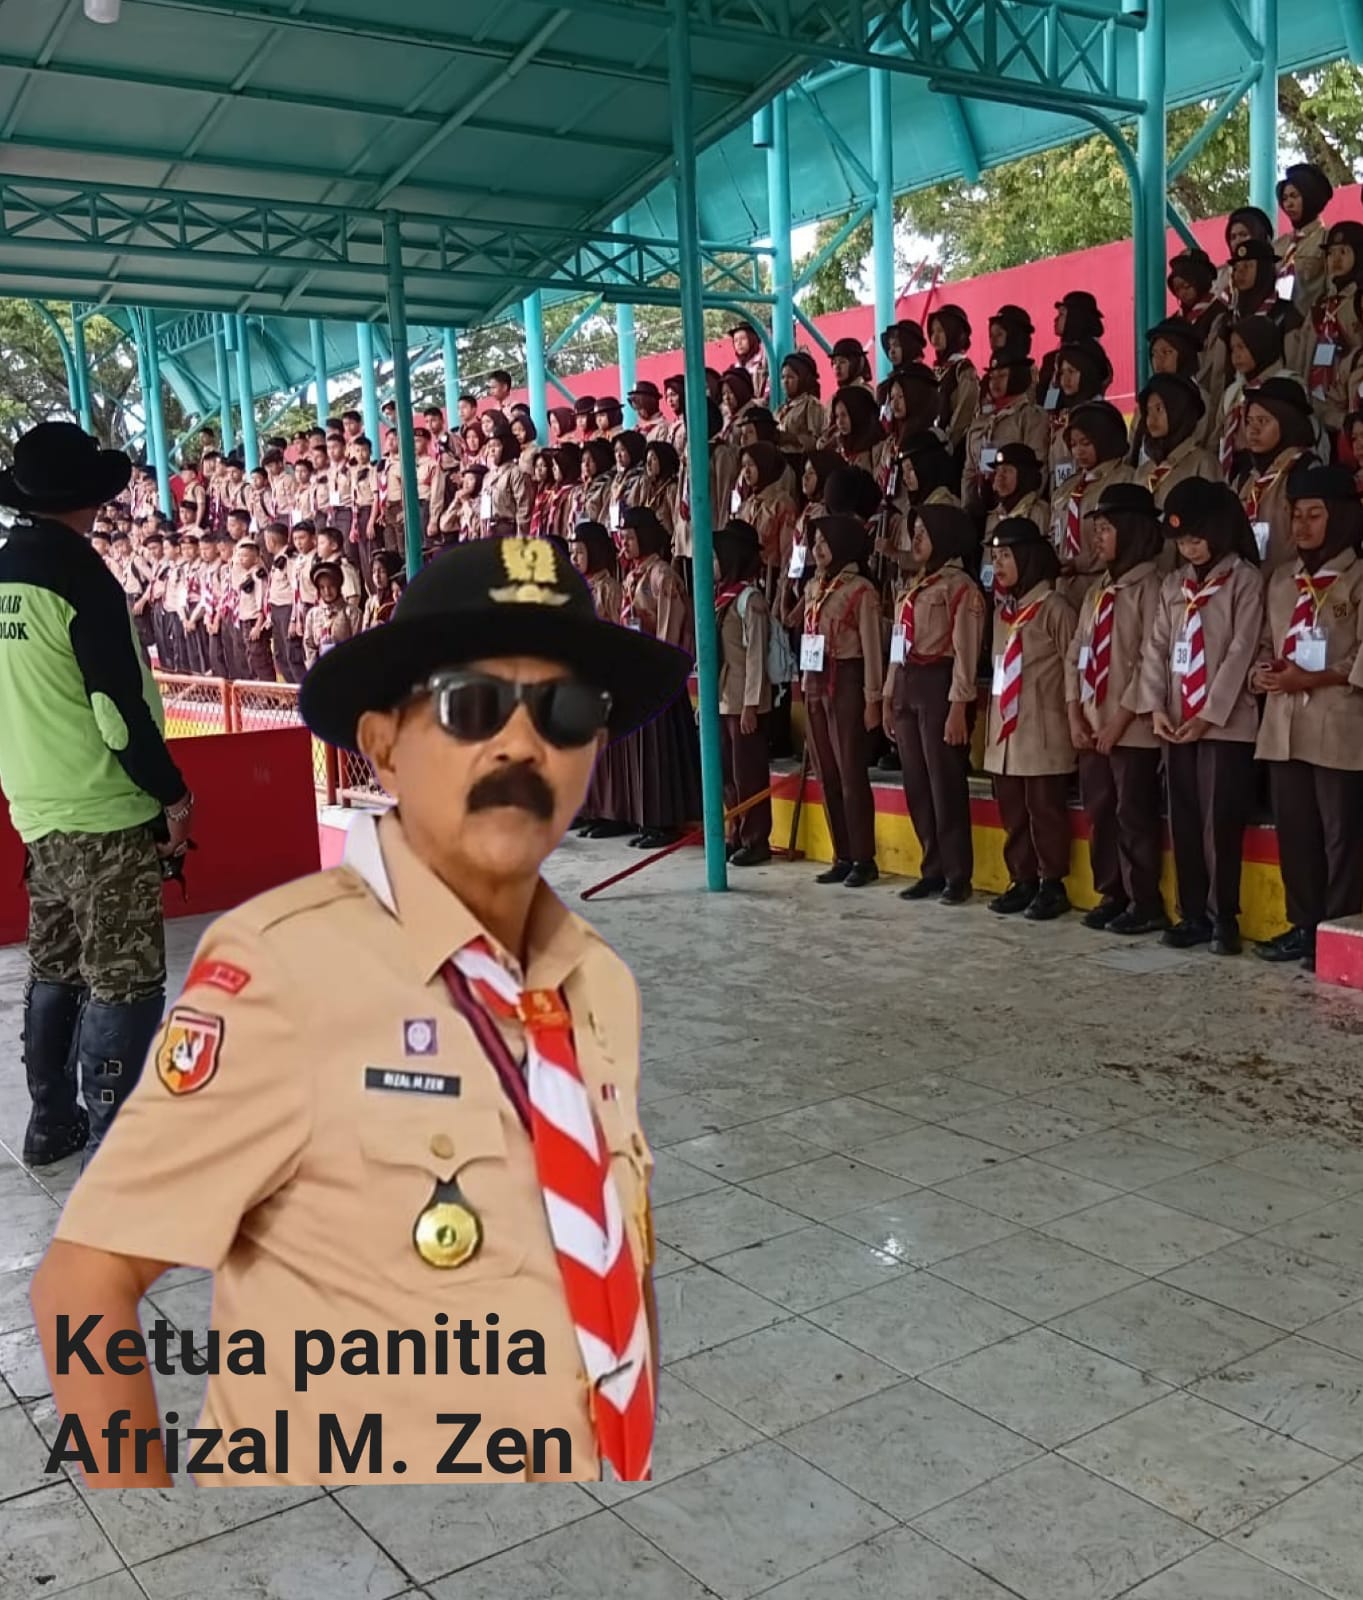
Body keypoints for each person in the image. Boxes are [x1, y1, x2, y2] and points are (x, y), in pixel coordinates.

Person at [33, 533, 686, 1488]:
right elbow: (83, 1283)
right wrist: (142, 1508)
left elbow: (610, 1233)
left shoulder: (597, 981)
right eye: (471, 706)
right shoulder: (284, 970)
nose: (522, 745)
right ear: (383, 744)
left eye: (567, 710)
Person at [0, 422, 193, 1167]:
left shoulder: (6, 570)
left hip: (34, 803)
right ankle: (120, 1142)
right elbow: (115, 710)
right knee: (126, 976)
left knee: (56, 963)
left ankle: (51, 1121)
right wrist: (171, 796)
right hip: (103, 808)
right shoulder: (81, 576)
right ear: (87, 498)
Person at [1135, 478, 1264, 955]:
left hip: (1225, 725)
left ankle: (1222, 917)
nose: (1188, 548)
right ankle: (1191, 913)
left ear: (1218, 530)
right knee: (1185, 820)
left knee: (1219, 823)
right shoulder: (1175, 584)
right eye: (1181, 541)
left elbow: (1240, 651)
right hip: (1176, 721)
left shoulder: (1245, 581)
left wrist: (1208, 716)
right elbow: (1156, 647)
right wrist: (1155, 707)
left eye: (1195, 538)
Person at [1252, 465, 1363, 969]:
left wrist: (1312, 679)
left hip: (1338, 725)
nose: (1301, 526)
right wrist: (1261, 673)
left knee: (1341, 835)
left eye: (1314, 515)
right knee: (1296, 831)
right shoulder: (1282, 580)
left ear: (1339, 518)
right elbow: (1266, 643)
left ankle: (1338, 927)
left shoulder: (1356, 578)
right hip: (1283, 725)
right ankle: (1303, 925)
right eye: (1296, 516)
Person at [1064, 486, 1169, 936]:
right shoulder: (1097, 592)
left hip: (1132, 728)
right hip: (1092, 724)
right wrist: (1075, 713)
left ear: (1132, 531)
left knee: (1133, 814)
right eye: (1097, 529)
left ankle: (1144, 900)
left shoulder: (1152, 587)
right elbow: (1076, 654)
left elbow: (1150, 660)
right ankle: (1113, 892)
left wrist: (1118, 722)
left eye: (1106, 529)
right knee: (1100, 810)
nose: (1097, 538)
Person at [883, 505, 985, 905]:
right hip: (908, 683)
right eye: (916, 531)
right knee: (917, 782)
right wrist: (889, 694)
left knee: (945, 783)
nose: (918, 539)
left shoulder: (960, 587)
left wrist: (959, 705)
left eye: (925, 531)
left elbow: (965, 652)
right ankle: (932, 868)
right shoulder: (914, 585)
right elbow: (898, 643)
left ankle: (957, 874)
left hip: (940, 684)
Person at [982, 518, 1078, 921]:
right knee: (1013, 811)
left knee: (1045, 810)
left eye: (1006, 556)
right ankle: (1021, 879)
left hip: (1042, 729)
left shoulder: (1055, 609)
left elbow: (1074, 667)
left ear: (1028, 558)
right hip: (1006, 731)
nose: (999, 565)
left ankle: (1051, 883)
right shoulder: (1003, 614)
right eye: (995, 557)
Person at [790, 514, 882, 888]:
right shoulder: (814, 586)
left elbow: (872, 649)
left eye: (825, 542)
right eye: (815, 542)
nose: (818, 549)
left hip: (846, 679)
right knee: (826, 772)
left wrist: (873, 698)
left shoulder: (861, 590)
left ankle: (863, 857)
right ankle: (841, 854)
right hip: (815, 679)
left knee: (850, 772)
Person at [619, 507, 702, 848]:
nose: (624, 543)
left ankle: (664, 821)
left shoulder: (662, 576)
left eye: (630, 537)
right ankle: (647, 819)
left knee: (660, 752)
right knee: (643, 750)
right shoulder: (633, 576)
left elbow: (672, 625)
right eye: (623, 537)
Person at [711, 519, 774, 866]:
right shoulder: (722, 598)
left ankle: (756, 838)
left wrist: (751, 704)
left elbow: (755, 657)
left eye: (717, 557)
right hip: (723, 699)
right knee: (726, 775)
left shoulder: (750, 600)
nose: (713, 563)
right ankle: (734, 832)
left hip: (742, 702)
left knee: (748, 774)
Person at [1236, 376, 1319, 571]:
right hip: (1249, 584)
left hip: (1290, 584)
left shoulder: (1306, 470)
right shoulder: (1247, 476)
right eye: (1249, 421)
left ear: (1287, 422)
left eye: (1263, 421)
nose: (1253, 430)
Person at [962, 352, 1049, 516]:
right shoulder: (980, 421)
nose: (995, 382)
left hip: (1017, 512)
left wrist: (1023, 510)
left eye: (1002, 376)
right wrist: (968, 512)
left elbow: (1038, 467)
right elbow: (969, 473)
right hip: (981, 513)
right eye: (992, 377)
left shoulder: (1031, 416)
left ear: (1017, 376)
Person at [1307, 220, 1363, 431]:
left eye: (1343, 252)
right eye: (1330, 253)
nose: (1335, 259)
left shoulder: (1358, 301)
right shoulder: (1320, 306)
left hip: (1351, 401)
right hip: (1318, 405)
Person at [1132, 373, 1219, 509]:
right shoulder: (1143, 472)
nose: (1151, 419)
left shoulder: (1203, 464)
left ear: (1178, 411)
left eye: (1159, 409)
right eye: (1148, 411)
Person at [1276, 162, 1335, 317]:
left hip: (1309, 326)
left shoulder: (1328, 240)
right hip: (1271, 327)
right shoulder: (1278, 245)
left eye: (1294, 196)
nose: (1288, 204)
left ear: (1310, 197)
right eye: (1284, 198)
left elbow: (1334, 291)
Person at [1037, 292, 1110, 411]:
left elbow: (1050, 404)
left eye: (1061, 314)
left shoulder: (1092, 356)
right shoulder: (1053, 359)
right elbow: (1047, 405)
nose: (1055, 319)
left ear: (1075, 318)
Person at [928, 304, 979, 455]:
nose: (935, 337)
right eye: (932, 331)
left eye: (941, 331)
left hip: (954, 449)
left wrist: (947, 441)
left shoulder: (964, 369)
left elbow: (965, 410)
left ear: (954, 332)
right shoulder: (936, 370)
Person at [985, 443, 1050, 542]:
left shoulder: (1038, 513)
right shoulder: (993, 517)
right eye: (997, 471)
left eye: (1006, 471)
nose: (999, 477)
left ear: (1023, 476)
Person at [302, 561, 360, 669]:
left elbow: (358, 645)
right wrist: (316, 668)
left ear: (338, 586)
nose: (327, 591)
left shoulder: (351, 613)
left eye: (331, 586)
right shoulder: (313, 615)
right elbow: (309, 645)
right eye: (322, 587)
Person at [775, 351, 827, 452]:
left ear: (803, 379)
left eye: (791, 377)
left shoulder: (811, 405)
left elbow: (817, 442)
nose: (785, 382)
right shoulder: (781, 409)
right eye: (783, 377)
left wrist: (791, 438)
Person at [360, 550, 405, 629]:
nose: (377, 576)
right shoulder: (371, 602)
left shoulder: (397, 599)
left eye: (382, 571)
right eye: (374, 571)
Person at [728, 321, 769, 403]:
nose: (739, 343)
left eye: (743, 338)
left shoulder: (763, 365)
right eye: (735, 340)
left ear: (752, 339)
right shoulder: (733, 368)